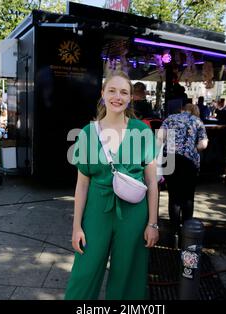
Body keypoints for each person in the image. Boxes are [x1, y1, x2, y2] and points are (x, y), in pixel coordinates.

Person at [65, 71, 159, 300]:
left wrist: (153, 224)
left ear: (130, 98)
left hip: (134, 213)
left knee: (129, 275)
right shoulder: (88, 133)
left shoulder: (142, 131)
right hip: (97, 210)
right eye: (112, 90)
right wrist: (76, 226)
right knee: (84, 273)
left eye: (124, 92)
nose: (118, 97)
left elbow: (152, 182)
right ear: (103, 94)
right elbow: (82, 185)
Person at [158, 102, 208, 235]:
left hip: (170, 159)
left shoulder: (170, 118)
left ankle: (174, 230)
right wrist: (192, 149)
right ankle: (186, 229)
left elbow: (159, 138)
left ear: (182, 110)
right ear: (194, 111)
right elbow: (203, 144)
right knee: (188, 197)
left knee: (173, 196)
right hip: (189, 162)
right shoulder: (197, 121)